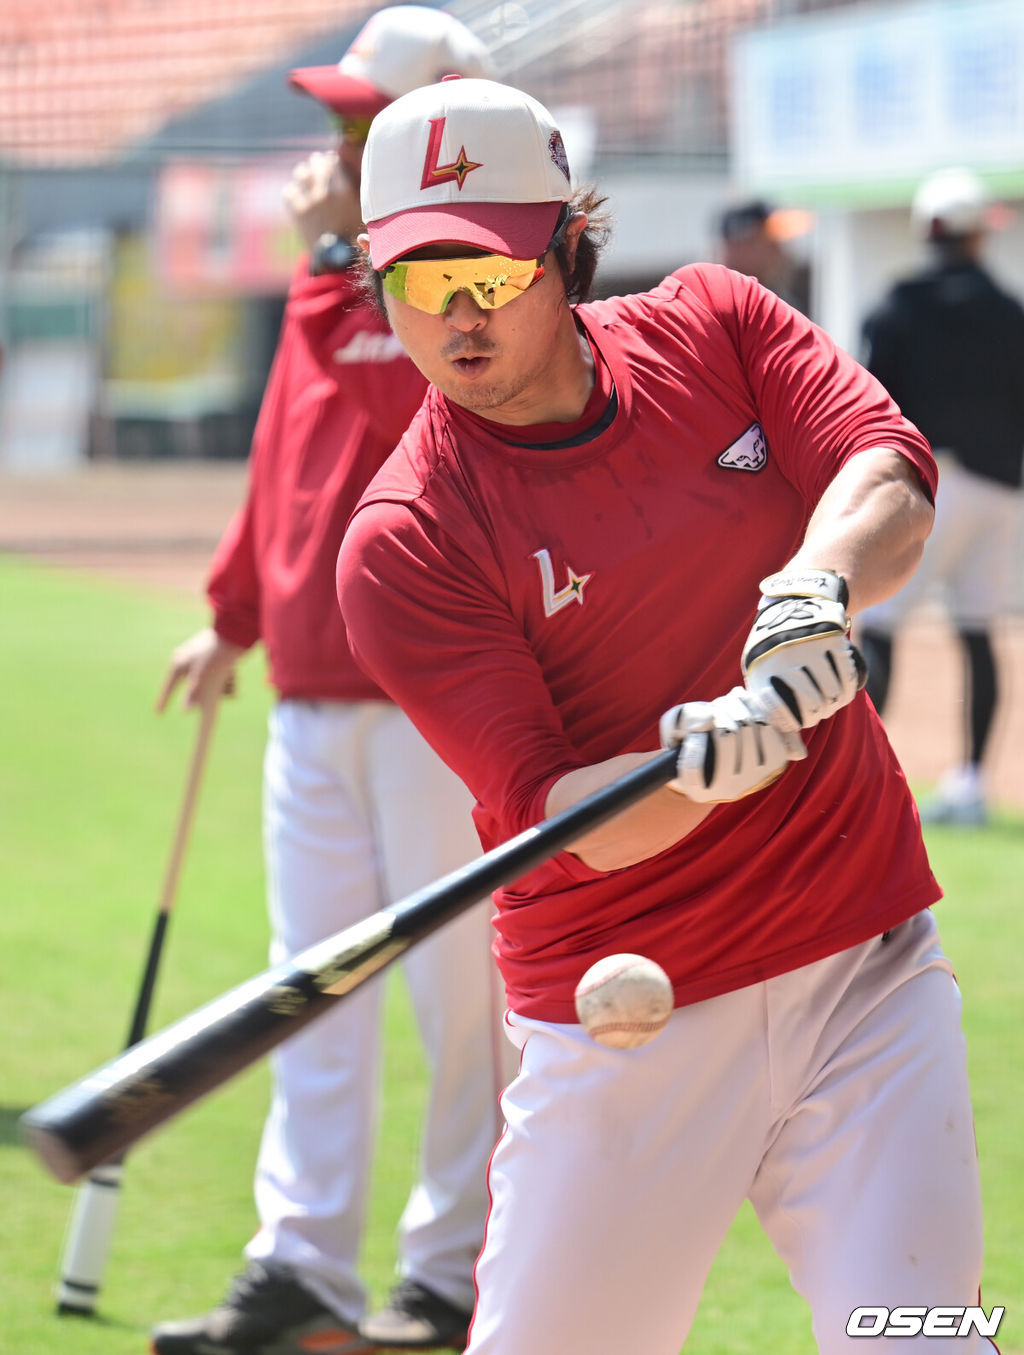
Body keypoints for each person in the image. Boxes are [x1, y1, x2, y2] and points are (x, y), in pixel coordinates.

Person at [335, 78, 997, 1355]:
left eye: (486, 273)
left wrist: (814, 587)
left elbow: (889, 479)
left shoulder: (716, 322)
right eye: (417, 284)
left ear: (565, 251)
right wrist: (695, 770)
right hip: (617, 1020)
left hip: (862, 970)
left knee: (921, 1339)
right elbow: (562, 818)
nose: (454, 318)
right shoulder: (405, 540)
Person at [151, 13, 513, 1355]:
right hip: (312, 688)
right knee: (308, 989)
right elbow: (288, 453)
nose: (337, 145)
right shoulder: (336, 277)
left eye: (367, 123)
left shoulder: (465, 285)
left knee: (462, 1006)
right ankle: (301, 1263)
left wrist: (337, 261)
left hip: (435, 696)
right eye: (346, 121)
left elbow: (396, 425)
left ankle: (457, 1275)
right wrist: (233, 614)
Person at [857, 166, 1024, 825]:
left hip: (925, 487)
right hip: (996, 489)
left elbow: (870, 404)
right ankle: (971, 785)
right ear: (978, 234)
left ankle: (866, 785)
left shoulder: (893, 306)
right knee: (980, 629)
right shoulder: (1011, 311)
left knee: (883, 630)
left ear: (927, 232)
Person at [717, 197, 812, 315]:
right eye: (770, 241)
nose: (779, 249)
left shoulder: (779, 301)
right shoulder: (720, 305)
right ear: (738, 247)